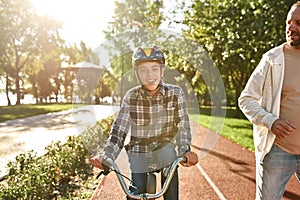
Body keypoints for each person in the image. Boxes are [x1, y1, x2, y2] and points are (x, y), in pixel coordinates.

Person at [91, 45, 198, 199]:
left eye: (155, 69)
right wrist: (107, 156)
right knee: (136, 190)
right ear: (137, 74)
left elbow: (182, 126)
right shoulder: (131, 96)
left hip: (164, 147)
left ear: (162, 71)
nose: (150, 75)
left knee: (169, 160)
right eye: (143, 70)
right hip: (138, 150)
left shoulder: (175, 93)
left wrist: (184, 150)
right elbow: (118, 130)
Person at [238, 2, 300, 200]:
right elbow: (246, 99)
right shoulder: (272, 59)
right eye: (288, 22)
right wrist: (271, 121)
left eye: (298, 23)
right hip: (278, 151)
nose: (290, 28)